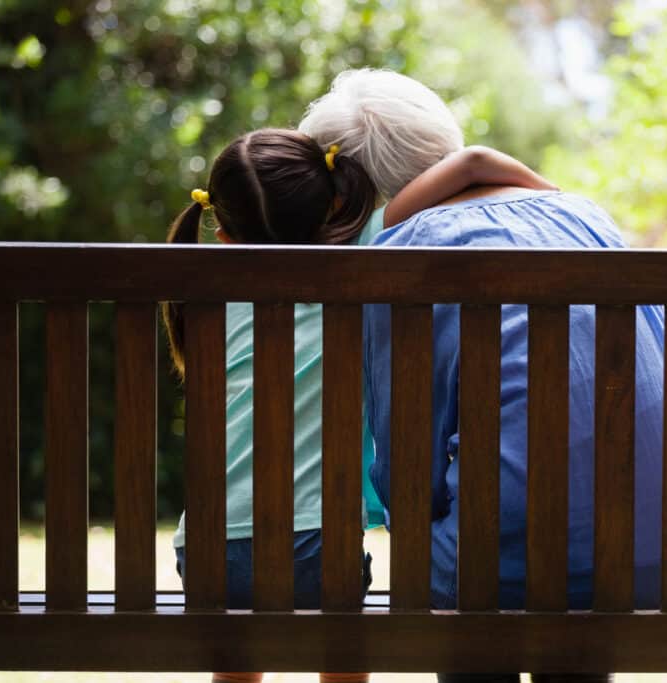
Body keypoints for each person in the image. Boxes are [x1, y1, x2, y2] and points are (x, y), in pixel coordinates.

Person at [302, 69, 667, 683]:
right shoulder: (588, 219)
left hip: (509, 574)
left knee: (488, 561)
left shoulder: (396, 262)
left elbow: (407, 475)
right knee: (552, 548)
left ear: (342, 199)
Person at [163, 126, 557, 683]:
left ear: (222, 234)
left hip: (204, 555)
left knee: (237, 661)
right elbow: (473, 162)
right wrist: (557, 200)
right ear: (335, 207)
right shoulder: (365, 255)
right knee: (342, 652)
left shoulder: (206, 300)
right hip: (316, 551)